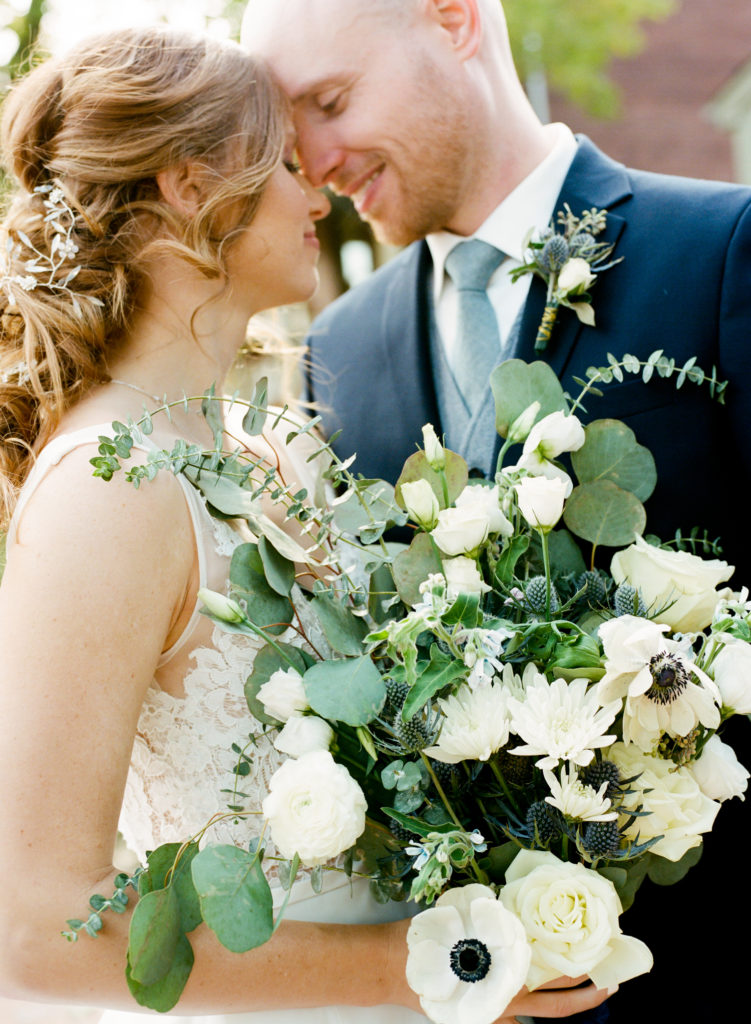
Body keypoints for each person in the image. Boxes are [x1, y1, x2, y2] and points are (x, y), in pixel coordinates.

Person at [0, 26, 610, 1024]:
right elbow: (28, 931)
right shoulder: (107, 491)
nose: (316, 192)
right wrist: (433, 970)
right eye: (283, 162)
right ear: (189, 185)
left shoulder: (272, 448)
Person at [241, 1, 751, 1021]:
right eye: (288, 134)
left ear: (454, 18)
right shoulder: (338, 348)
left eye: (330, 103)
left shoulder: (720, 250)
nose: (315, 162)